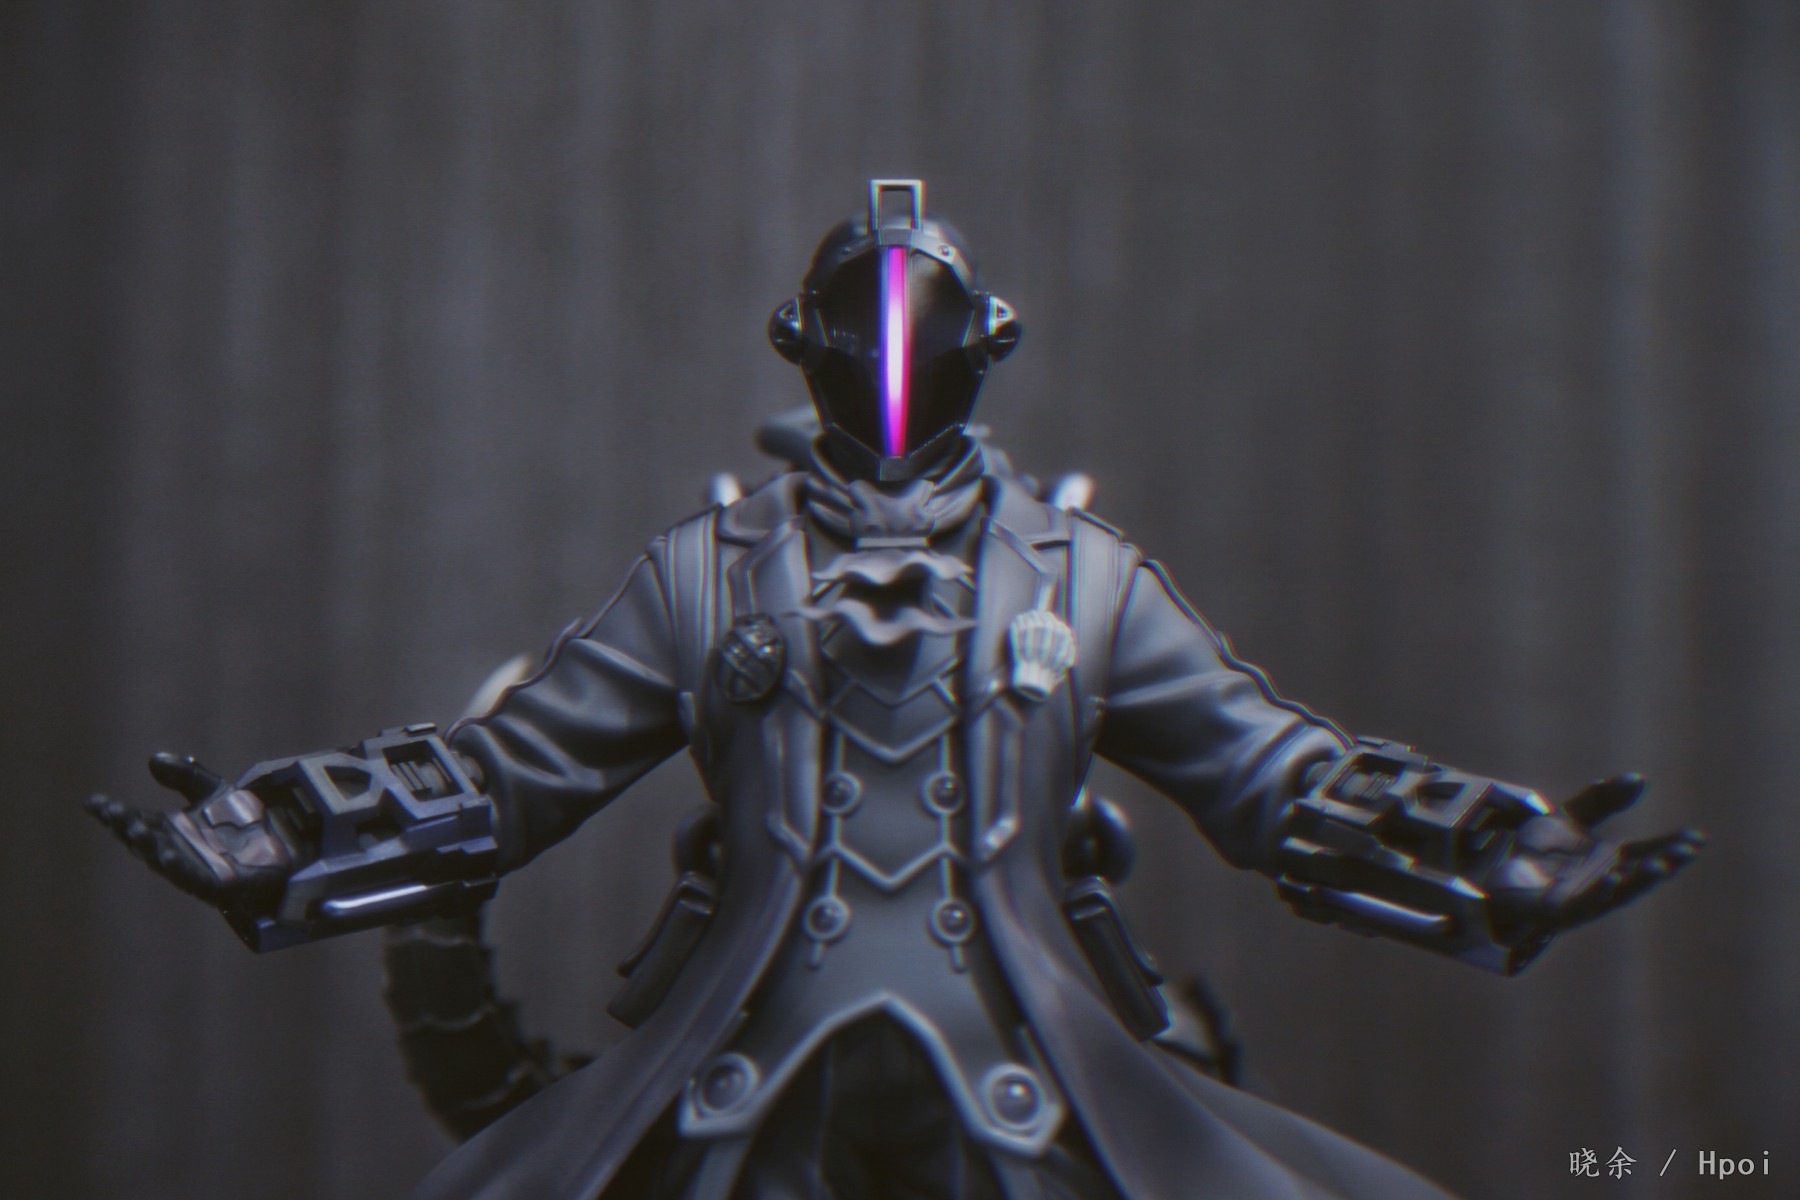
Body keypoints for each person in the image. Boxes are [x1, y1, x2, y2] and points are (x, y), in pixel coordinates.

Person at [90, 179, 1703, 1200]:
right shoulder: (709, 574)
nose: (887, 353)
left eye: (920, 322)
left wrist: (1486, 845)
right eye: (855, 324)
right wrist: (286, 827)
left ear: (984, 344)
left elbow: (1273, 776)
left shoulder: (1078, 580)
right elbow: (512, 771)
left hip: (1030, 1083)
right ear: (797, 344)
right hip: (742, 1086)